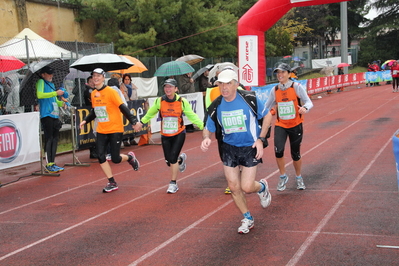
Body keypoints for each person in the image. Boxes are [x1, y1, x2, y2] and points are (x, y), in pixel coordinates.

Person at [200, 69, 272, 234]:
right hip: (228, 148)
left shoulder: (249, 99)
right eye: (221, 84)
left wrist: (260, 139)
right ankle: (247, 217)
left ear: (236, 84)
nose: (224, 87)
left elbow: (267, 117)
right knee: (233, 187)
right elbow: (207, 127)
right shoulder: (216, 104)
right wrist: (206, 137)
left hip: (249, 147)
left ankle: (261, 187)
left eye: (228, 83)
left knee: (246, 187)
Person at [133, 78, 204, 194]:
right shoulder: (160, 101)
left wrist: (202, 126)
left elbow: (191, 115)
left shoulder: (181, 101)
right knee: (168, 161)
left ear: (176, 89)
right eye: (166, 87)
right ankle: (181, 159)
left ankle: (173, 183)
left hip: (179, 134)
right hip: (165, 134)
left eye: (170, 87)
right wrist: (141, 122)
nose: (168, 89)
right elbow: (150, 113)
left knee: (172, 159)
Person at [79, 68, 140, 193]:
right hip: (102, 129)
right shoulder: (93, 93)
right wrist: (86, 120)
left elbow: (123, 107)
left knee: (116, 159)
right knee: (101, 156)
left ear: (103, 77)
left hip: (115, 129)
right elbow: (95, 111)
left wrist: (133, 121)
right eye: (93, 76)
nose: (95, 78)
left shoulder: (111, 92)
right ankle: (112, 182)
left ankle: (129, 158)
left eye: (98, 76)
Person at [265, 63, 313, 192]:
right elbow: (266, 106)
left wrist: (305, 108)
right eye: (277, 72)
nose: (280, 75)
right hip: (281, 125)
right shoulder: (274, 90)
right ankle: (283, 176)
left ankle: (298, 177)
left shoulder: (296, 87)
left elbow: (309, 102)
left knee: (295, 154)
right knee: (278, 151)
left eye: (282, 72)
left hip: (296, 125)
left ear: (289, 73)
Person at [36, 66, 66, 173]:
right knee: (49, 138)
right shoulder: (41, 82)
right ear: (43, 74)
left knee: (55, 139)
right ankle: (49, 164)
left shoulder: (52, 85)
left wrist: (61, 103)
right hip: (46, 114)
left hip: (55, 115)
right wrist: (55, 93)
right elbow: (40, 95)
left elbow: (54, 100)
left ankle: (53, 162)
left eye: (52, 73)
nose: (51, 76)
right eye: (49, 74)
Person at [83, 76, 97, 159]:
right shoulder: (88, 90)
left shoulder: (96, 90)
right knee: (91, 133)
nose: (92, 83)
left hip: (95, 113)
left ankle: (97, 150)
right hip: (90, 113)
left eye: (93, 81)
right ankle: (93, 151)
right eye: (90, 81)